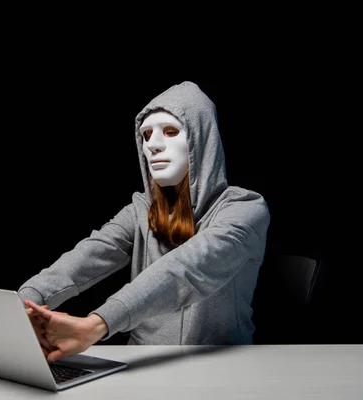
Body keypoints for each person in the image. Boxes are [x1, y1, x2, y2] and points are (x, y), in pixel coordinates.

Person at [19, 81, 270, 364]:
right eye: (146, 135)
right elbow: (92, 252)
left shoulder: (245, 209)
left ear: (203, 140)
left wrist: (97, 324)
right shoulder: (141, 209)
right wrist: (24, 303)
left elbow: (186, 267)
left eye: (171, 131)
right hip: (144, 360)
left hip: (219, 364)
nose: (153, 145)